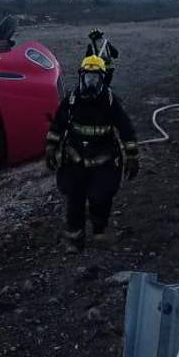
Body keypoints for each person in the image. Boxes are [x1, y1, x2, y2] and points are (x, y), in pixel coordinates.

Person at [45, 54, 139, 252]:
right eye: (88, 77)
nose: (91, 82)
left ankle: (99, 229)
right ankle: (75, 239)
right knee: (74, 200)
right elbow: (58, 125)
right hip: (74, 159)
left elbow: (126, 129)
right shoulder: (71, 100)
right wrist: (51, 148)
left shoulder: (110, 102)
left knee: (101, 197)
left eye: (95, 78)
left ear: (102, 79)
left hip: (103, 160)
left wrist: (132, 156)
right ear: (81, 76)